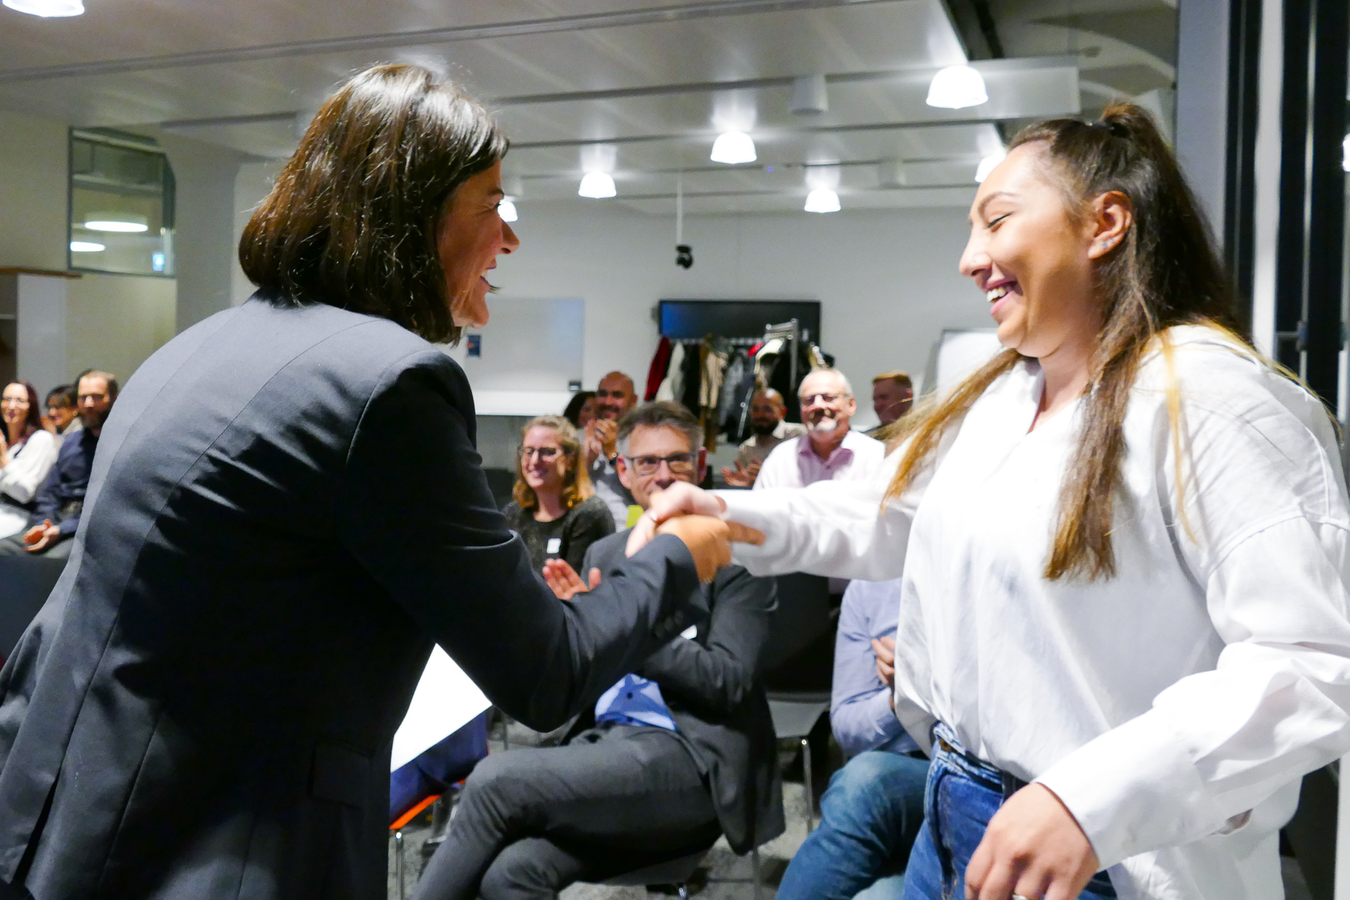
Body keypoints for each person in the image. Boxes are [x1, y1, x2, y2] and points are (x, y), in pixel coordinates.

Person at [0, 65, 746, 900]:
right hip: (218, 851)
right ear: (417, 214)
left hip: (66, 817)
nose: (510, 238)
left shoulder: (196, 348)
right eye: (493, 203)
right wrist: (676, 556)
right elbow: (547, 670)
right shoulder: (388, 386)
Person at [631, 103, 1350, 900]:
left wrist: (1090, 802)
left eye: (997, 221)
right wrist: (730, 519)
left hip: (1106, 859)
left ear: (1106, 223)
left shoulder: (1214, 402)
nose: (970, 259)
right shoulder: (1008, 395)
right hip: (959, 805)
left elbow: (1312, 663)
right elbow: (889, 517)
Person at [414, 402, 782, 900]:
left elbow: (727, 682)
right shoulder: (606, 554)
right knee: (512, 873)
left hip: (692, 756)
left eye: (677, 459)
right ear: (623, 472)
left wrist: (624, 631)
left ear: (699, 465)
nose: (664, 474)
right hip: (604, 743)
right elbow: (579, 667)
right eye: (647, 462)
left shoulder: (736, 558)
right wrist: (569, 628)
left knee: (495, 781)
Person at [775, 578, 928, 900]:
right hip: (898, 778)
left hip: (970, 772)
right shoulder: (872, 587)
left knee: (866, 780)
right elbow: (846, 727)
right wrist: (899, 699)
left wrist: (933, 685)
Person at [0, 370, 115, 558]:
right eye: (83, 397)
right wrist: (43, 524)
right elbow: (50, 492)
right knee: (3, 548)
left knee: (48, 562)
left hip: (83, 528)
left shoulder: (120, 444)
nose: (88, 404)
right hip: (55, 520)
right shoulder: (71, 442)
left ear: (114, 398)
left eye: (96, 397)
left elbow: (108, 504)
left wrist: (62, 529)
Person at [501, 415, 613, 573]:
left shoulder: (589, 514)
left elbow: (577, 584)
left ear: (570, 459)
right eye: (529, 451)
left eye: (547, 452)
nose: (534, 460)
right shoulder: (512, 514)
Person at [753, 367, 884, 491]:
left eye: (829, 398)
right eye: (809, 400)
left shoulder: (876, 456)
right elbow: (760, 505)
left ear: (851, 405)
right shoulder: (781, 458)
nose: (818, 405)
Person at [0, 381, 58, 540]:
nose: (11, 406)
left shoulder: (41, 439)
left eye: (19, 400)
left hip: (18, 518)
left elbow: (24, 493)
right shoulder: (7, 445)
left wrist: (3, 459)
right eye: (7, 399)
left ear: (30, 406)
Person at [586, 370, 639, 527]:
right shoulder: (579, 436)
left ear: (633, 400)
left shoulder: (643, 440)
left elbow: (646, 490)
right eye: (603, 394)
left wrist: (613, 454)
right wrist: (584, 463)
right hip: (584, 533)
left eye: (617, 395)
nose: (608, 402)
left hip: (626, 532)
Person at [721, 388, 805, 487]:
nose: (760, 415)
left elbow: (810, 477)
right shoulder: (747, 449)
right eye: (755, 410)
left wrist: (768, 476)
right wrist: (748, 483)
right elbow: (752, 486)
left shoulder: (799, 436)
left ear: (782, 412)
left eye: (767, 409)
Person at [869, 370, 913, 435]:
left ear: (907, 396)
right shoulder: (866, 439)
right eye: (875, 400)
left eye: (884, 397)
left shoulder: (924, 434)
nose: (877, 405)